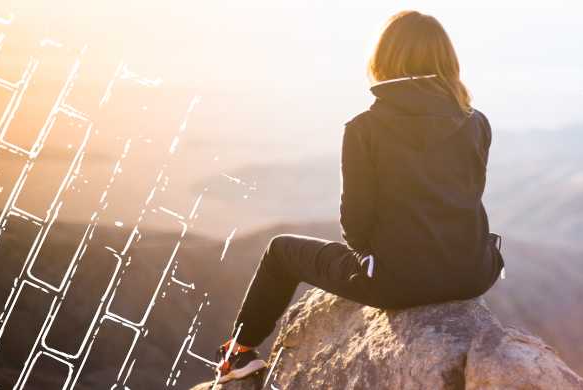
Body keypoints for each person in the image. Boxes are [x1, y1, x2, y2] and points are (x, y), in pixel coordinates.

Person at [215, 9, 505, 384]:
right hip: (474, 273)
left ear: (383, 60)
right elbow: (468, 194)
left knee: (279, 251)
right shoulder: (476, 121)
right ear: (447, 61)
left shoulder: (364, 129)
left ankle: (239, 353)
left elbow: (355, 225)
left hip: (398, 283)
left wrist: (376, 258)